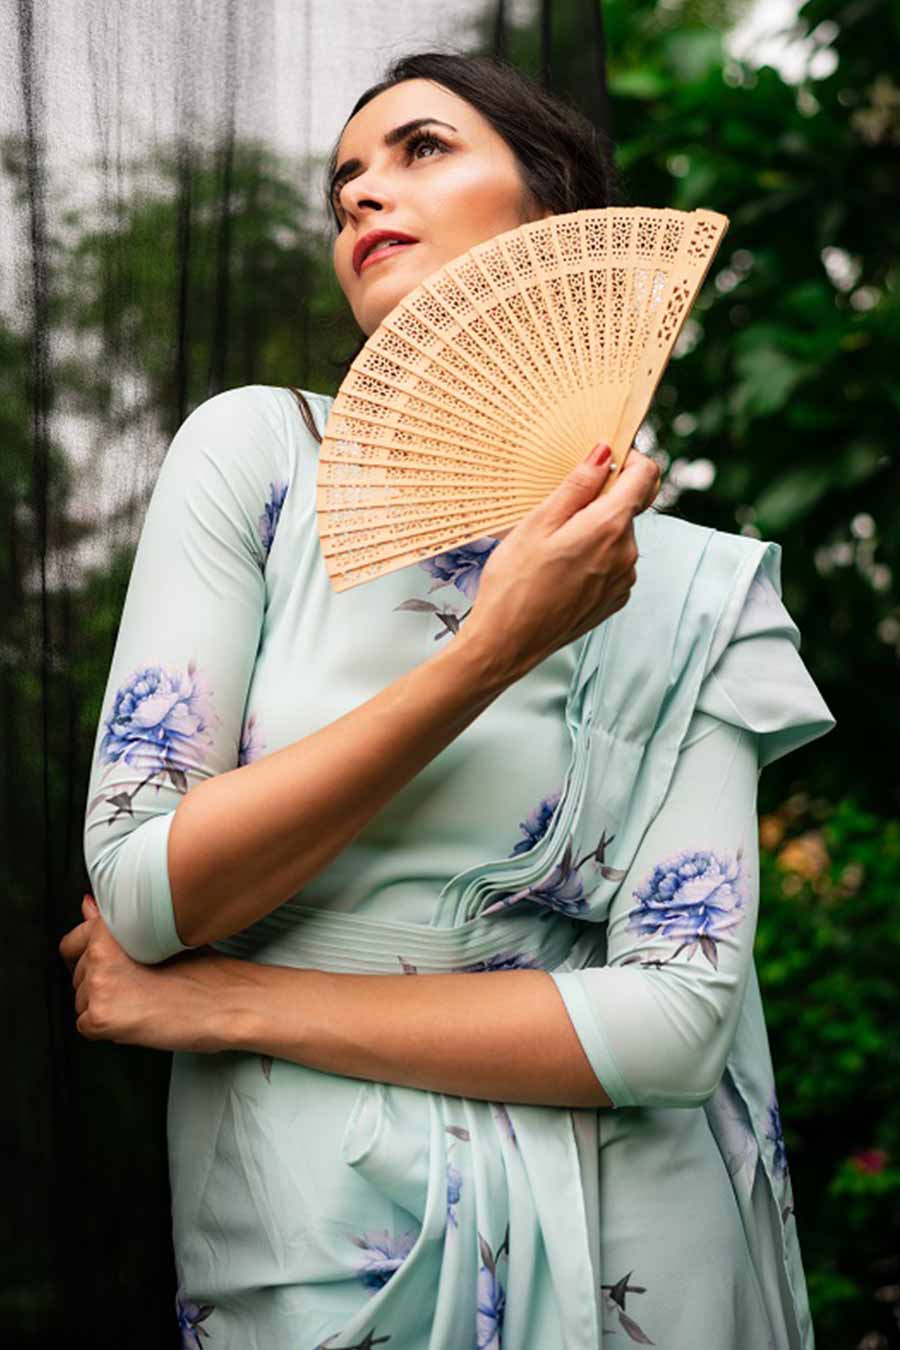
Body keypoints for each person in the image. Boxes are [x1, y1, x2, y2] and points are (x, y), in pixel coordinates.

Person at [59, 52, 835, 1350]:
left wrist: (224, 1002)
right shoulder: (256, 462)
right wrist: (488, 650)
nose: (363, 195)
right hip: (318, 1241)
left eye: (419, 149)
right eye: (342, 182)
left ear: (551, 217)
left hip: (632, 1243)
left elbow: (675, 1020)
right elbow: (145, 887)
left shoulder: (701, 589)